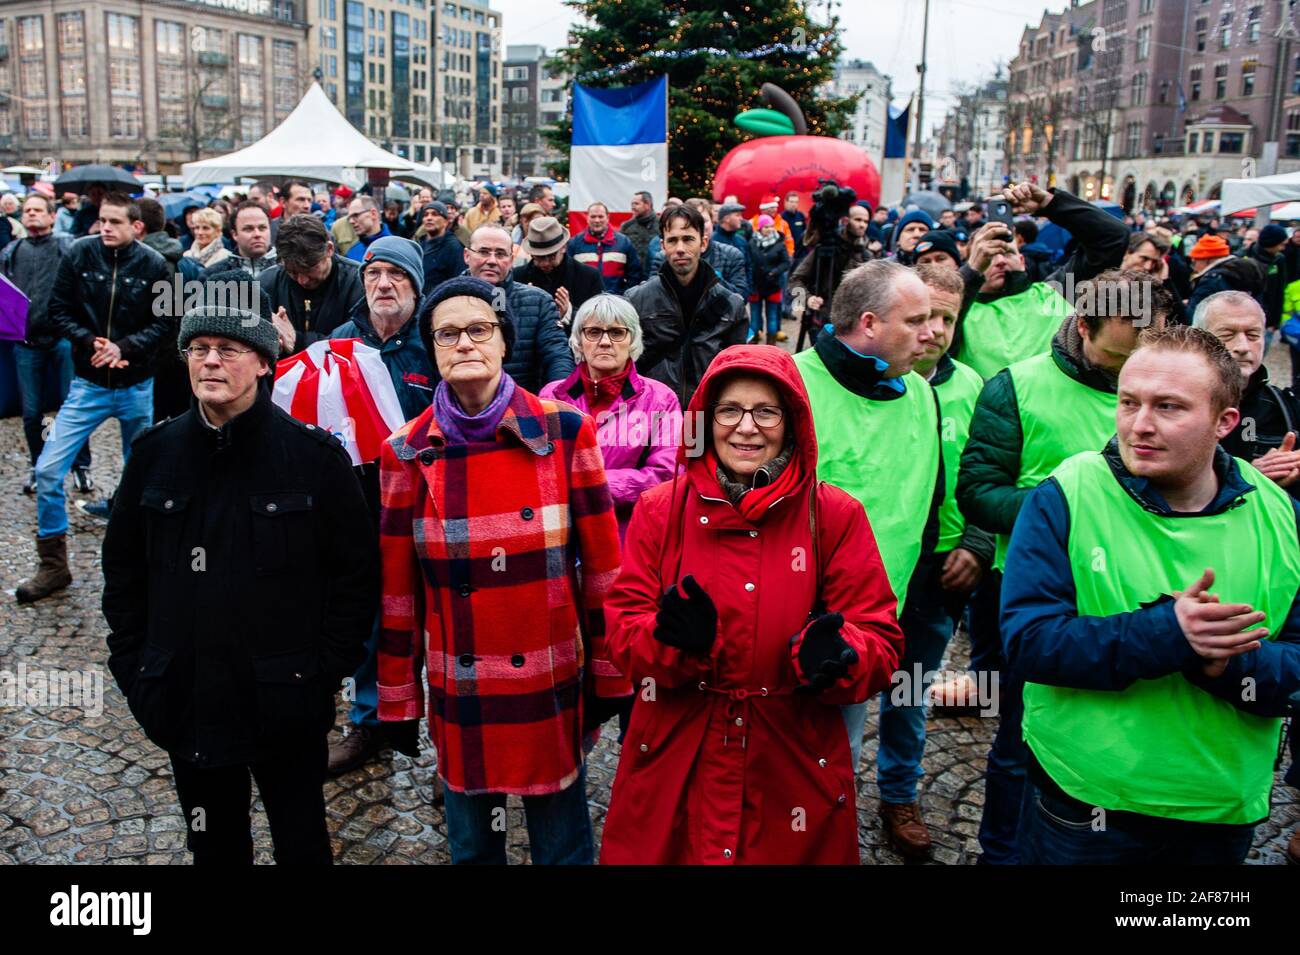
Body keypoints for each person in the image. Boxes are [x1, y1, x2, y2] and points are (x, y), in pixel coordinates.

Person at [1005, 326, 1300, 864]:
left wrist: (1226, 667)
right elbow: (1028, 641)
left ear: (1225, 422)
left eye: (1169, 407)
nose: (1140, 425)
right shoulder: (1068, 493)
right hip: (1088, 803)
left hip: (1219, 810)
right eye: (1128, 402)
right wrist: (1169, 633)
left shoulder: (1280, 514)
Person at [599, 344, 904, 864]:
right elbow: (623, 631)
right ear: (705, 419)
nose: (746, 427)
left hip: (788, 756)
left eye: (765, 411)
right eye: (729, 411)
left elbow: (879, 636)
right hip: (679, 750)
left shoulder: (832, 515)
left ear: (792, 422)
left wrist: (837, 656)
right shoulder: (660, 509)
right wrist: (669, 641)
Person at [102, 293, 379, 864]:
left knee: (301, 842)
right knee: (214, 845)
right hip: (185, 695)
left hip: (287, 699)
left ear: (261, 363)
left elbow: (355, 576)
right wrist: (137, 668)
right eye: (199, 349)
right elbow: (123, 573)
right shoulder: (154, 453)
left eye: (227, 350)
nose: (209, 362)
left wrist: (322, 671)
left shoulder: (314, 457)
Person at [376, 276, 622, 864]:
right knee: (473, 849)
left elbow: (605, 570)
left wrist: (611, 673)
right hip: (464, 683)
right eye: (448, 334)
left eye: (479, 329)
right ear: (432, 349)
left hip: (549, 673)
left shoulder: (563, 430)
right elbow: (396, 592)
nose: (465, 343)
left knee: (563, 844)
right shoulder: (404, 451)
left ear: (504, 342)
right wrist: (397, 697)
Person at [956, 268, 1172, 864]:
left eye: (1151, 335)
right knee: (1017, 736)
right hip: (1031, 594)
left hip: (1137, 596)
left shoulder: (1168, 399)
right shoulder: (1017, 387)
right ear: (1084, 326)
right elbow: (977, 491)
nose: (1140, 352)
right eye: (1128, 336)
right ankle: (1001, 853)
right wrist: (1070, 508)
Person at [792, 260, 944, 780]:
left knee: (835, 764)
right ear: (871, 323)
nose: (934, 333)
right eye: (916, 320)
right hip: (789, 626)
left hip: (872, 627)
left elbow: (926, 499)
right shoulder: (794, 386)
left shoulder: (924, 393)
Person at [874, 264, 993, 858]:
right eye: (925, 317)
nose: (937, 330)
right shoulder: (866, 383)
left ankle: (899, 792)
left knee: (912, 683)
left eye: (949, 317)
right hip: (871, 563)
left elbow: (987, 473)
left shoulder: (974, 387)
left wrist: (976, 541)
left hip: (939, 564)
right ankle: (820, 794)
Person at [17, 194, 172, 603]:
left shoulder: (155, 265)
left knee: (141, 476)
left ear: (136, 226)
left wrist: (124, 348)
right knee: (49, 470)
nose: (105, 227)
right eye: (102, 220)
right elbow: (58, 309)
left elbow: (165, 323)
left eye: (114, 221)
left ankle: (142, 563)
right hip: (88, 384)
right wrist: (89, 342)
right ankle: (53, 564)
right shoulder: (80, 254)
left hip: (136, 384)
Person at [324, 236, 436, 775]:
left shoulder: (435, 341)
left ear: (415, 284)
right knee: (372, 619)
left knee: (448, 622)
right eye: (374, 274)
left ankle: (453, 745)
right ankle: (369, 722)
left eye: (397, 274)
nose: (384, 284)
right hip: (365, 508)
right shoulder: (341, 342)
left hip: (435, 506)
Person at [953, 183, 1129, 381]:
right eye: (989, 256)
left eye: (1008, 252)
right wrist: (971, 273)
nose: (1000, 261)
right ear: (973, 262)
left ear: (1022, 261)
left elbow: (1112, 238)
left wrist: (1051, 204)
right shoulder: (958, 310)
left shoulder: (1057, 292)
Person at [539, 294, 680, 541]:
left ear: (633, 340)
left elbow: (667, 473)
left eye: (616, 332)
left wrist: (591, 484)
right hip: (562, 537)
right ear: (579, 340)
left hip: (630, 536)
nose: (605, 342)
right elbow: (539, 469)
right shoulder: (551, 396)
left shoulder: (661, 398)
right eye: (593, 332)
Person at [0, 194, 91, 495]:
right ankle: (38, 464)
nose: (31, 215)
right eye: (27, 211)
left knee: (72, 407)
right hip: (26, 343)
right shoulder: (12, 250)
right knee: (32, 410)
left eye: (38, 210)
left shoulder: (67, 247)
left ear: (52, 216)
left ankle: (81, 465)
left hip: (62, 340)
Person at [627, 204, 746, 406]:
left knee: (695, 439)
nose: (680, 249)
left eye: (688, 239)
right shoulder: (636, 300)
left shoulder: (731, 305)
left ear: (703, 243)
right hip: (654, 412)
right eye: (672, 240)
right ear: (663, 246)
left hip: (703, 411)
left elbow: (736, 371)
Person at [1195, 290, 1300, 498]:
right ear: (1199, 338)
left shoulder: (1284, 408)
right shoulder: (1173, 405)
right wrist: (1248, 477)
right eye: (1227, 335)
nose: (1242, 347)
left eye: (1253, 335)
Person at [462, 225, 575, 392]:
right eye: (484, 252)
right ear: (467, 255)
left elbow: (557, 354)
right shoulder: (444, 302)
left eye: (500, 254)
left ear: (511, 258)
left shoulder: (539, 301)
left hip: (522, 407)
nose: (492, 261)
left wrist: (558, 395)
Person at [260, 214, 364, 355]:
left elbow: (360, 344)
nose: (303, 280)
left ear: (329, 249)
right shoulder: (266, 283)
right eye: (292, 272)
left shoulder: (359, 282)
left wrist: (299, 341)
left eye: (310, 269)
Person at [788, 203, 873, 330]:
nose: (862, 225)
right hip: (821, 322)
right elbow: (795, 280)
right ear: (846, 220)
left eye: (866, 221)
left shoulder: (866, 255)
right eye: (858, 220)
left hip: (851, 326)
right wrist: (807, 299)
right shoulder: (825, 249)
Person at [512, 216, 604, 328]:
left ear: (563, 248)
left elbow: (600, 321)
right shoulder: (517, 277)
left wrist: (570, 313)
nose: (545, 263)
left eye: (551, 256)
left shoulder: (588, 277)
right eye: (539, 257)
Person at [1184, 232, 1266, 318]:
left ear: (1206, 260)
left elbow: (1192, 315)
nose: (1193, 267)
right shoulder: (1240, 271)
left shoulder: (1211, 280)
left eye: (1195, 262)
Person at [568, 202, 642, 294]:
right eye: (593, 216)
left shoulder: (624, 242)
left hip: (616, 301)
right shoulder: (574, 243)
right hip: (584, 302)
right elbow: (568, 274)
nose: (597, 220)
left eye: (600, 216)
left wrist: (624, 296)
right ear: (587, 218)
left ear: (607, 218)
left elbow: (634, 274)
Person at [746, 214, 791, 344]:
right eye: (766, 227)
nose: (769, 229)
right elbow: (748, 261)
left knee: (772, 317)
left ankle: (771, 346)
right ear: (760, 228)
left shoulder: (779, 243)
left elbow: (786, 262)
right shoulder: (752, 242)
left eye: (771, 226)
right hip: (755, 286)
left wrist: (774, 272)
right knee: (754, 318)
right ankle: (752, 346)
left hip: (773, 286)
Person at [211, 201, 277, 278]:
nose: (257, 234)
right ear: (234, 234)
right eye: (248, 229)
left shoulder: (287, 271)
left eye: (262, 228)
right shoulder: (214, 275)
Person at [417, 200, 465, 288]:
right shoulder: (419, 245)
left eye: (434, 214)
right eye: (426, 215)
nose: (429, 218)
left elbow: (458, 281)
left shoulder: (453, 247)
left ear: (445, 222)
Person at [182, 208, 232, 273]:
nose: (200, 232)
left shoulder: (226, 257)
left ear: (217, 231)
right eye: (197, 227)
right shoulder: (186, 255)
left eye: (205, 228)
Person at [343, 196, 391, 263]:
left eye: (355, 215)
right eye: (349, 218)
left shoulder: (396, 249)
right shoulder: (352, 252)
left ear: (373, 214)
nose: (351, 221)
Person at [620, 190, 659, 268]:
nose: (633, 207)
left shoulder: (661, 224)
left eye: (636, 204)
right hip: (633, 274)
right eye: (632, 204)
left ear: (648, 205)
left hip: (655, 272)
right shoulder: (626, 226)